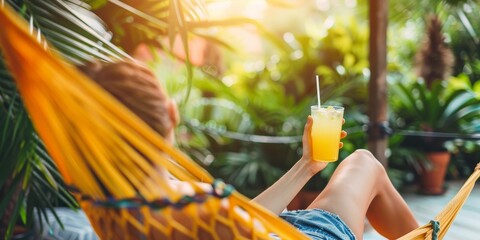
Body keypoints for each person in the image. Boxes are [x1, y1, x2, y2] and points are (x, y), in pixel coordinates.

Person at [78, 60, 419, 240]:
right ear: (171, 113)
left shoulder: (110, 200)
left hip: (276, 227)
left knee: (359, 165)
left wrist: (307, 166)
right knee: (364, 162)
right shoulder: (193, 208)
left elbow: (244, 220)